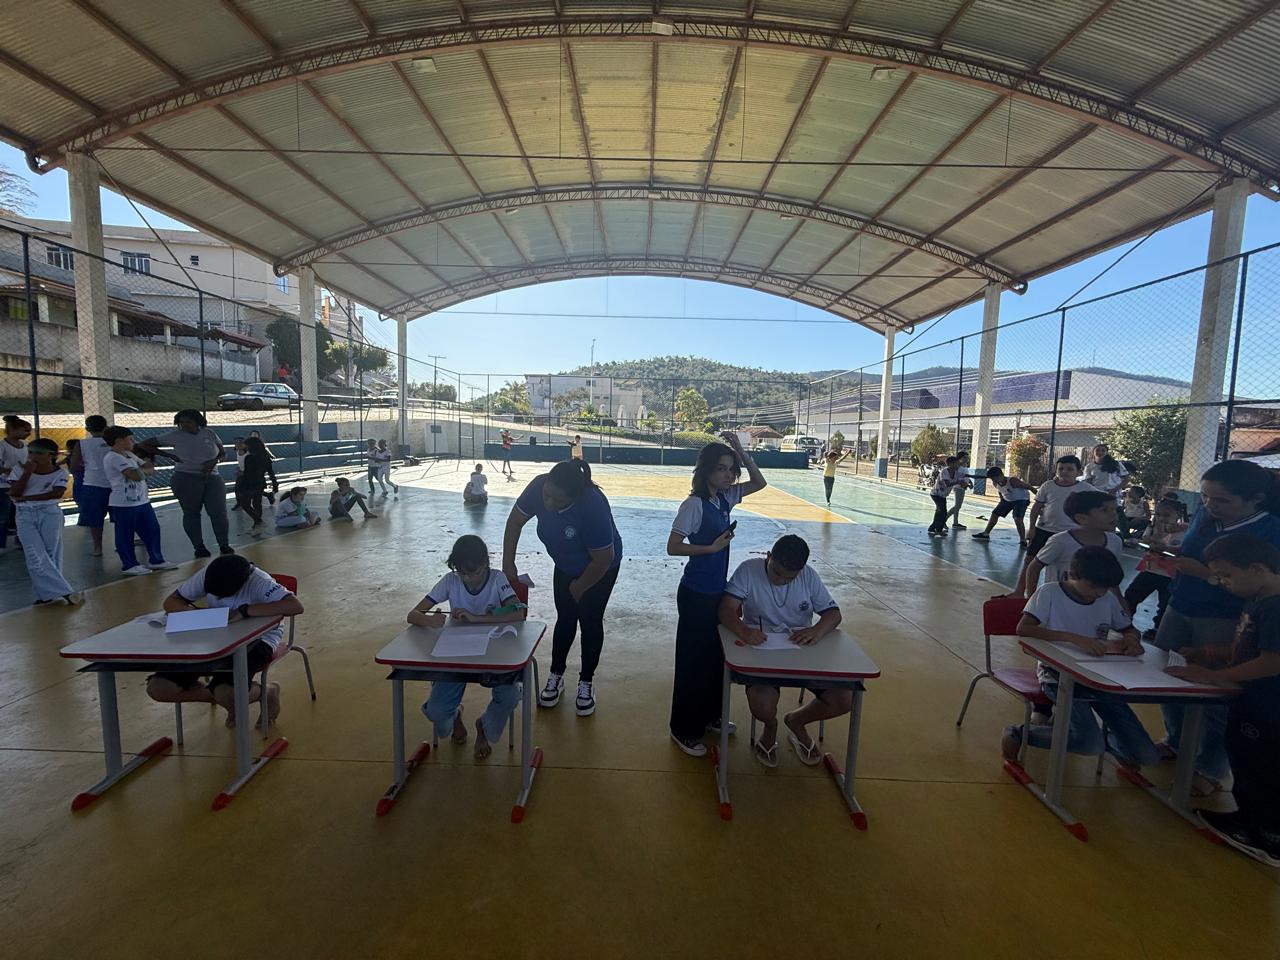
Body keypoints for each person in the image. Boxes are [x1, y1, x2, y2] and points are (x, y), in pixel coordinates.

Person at [1154, 459, 1280, 797]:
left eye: (1222, 500)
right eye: (1206, 497)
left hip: (1225, 618)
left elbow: (1261, 584)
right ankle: (1176, 741)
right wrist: (1174, 551)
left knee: (1216, 697)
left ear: (1255, 500)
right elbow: (1197, 551)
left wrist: (1205, 575)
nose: (1210, 505)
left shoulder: (1271, 532)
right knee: (1166, 675)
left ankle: (1211, 768)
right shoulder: (1205, 516)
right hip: (1181, 605)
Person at [1166, 534, 1280, 866]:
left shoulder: (1274, 606)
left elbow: (1273, 661)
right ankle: (1247, 818)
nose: (1223, 583)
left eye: (1227, 575)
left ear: (1256, 568)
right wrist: (1207, 653)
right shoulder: (1257, 599)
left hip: (1270, 707)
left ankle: (1270, 838)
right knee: (1245, 759)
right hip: (1252, 700)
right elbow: (1249, 647)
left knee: (1264, 769)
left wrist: (1213, 676)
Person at [1000, 547, 1159, 769]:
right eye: (1093, 587)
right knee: (1089, 744)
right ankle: (1020, 734)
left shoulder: (1107, 599)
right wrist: (1073, 638)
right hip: (1058, 675)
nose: (1098, 594)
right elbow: (1024, 628)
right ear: (1073, 575)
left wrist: (1132, 640)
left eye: (1105, 589)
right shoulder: (1050, 592)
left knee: (1148, 756)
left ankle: (1109, 743)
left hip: (1102, 678)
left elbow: (1128, 629)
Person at [667, 433, 767, 756]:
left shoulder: (724, 498)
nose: (728, 475)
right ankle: (683, 729)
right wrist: (709, 548)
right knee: (692, 662)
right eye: (721, 468)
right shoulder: (693, 505)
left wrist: (740, 450)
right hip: (695, 593)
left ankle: (710, 716)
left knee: (714, 658)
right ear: (706, 470)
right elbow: (673, 547)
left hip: (716, 593)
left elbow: (760, 482)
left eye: (731, 469)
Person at [503, 459, 622, 717]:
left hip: (600, 568)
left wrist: (581, 586)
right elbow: (514, 522)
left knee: (590, 620)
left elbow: (604, 558)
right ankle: (556, 674)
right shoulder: (538, 487)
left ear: (574, 498)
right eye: (547, 495)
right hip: (566, 563)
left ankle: (586, 682)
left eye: (557, 501)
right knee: (566, 618)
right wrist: (508, 563)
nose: (548, 503)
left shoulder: (592, 506)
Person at [718, 535, 844, 767]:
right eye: (776, 572)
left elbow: (833, 614)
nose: (780, 580)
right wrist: (744, 631)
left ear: (800, 570)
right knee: (762, 706)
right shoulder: (749, 570)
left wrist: (816, 631)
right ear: (768, 557)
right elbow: (725, 609)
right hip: (762, 652)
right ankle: (771, 726)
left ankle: (796, 721)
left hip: (801, 653)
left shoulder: (808, 576)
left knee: (844, 699)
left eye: (789, 577)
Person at [146, 556, 303, 729]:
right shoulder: (209, 574)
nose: (218, 598)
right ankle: (233, 699)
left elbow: (295, 606)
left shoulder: (260, 581)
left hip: (259, 639)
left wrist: (244, 611)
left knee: (226, 692)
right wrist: (201, 615)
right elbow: (171, 602)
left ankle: (267, 692)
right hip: (215, 635)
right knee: (159, 688)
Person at [409, 535, 526, 759]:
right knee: (436, 710)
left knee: (510, 695)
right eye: (462, 572)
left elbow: (518, 613)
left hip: (494, 654)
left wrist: (476, 618)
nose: (468, 579)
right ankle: (454, 716)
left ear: (485, 565)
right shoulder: (450, 581)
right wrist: (430, 621)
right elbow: (413, 614)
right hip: (456, 655)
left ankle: (485, 726)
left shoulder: (497, 578)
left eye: (474, 572)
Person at [138, 410, 232, 559]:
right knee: (191, 513)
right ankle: (199, 546)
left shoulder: (209, 433)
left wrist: (215, 461)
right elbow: (145, 444)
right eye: (181, 422)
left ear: (197, 422)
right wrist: (168, 455)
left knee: (218, 512)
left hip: (212, 477)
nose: (184, 425)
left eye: (188, 422)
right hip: (186, 476)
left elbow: (223, 453)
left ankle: (224, 544)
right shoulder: (175, 435)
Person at [9, 438, 81, 606]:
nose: (33, 456)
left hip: (49, 512)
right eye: (31, 452)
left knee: (51, 552)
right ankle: (66, 591)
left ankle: (46, 595)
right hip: (25, 514)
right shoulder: (19, 470)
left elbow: (56, 494)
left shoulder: (60, 473)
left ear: (51, 456)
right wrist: (27, 473)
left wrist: (27, 498)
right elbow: (15, 492)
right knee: (34, 553)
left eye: (39, 453)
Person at [1019, 490, 1123, 597]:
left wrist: (1120, 602)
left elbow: (1111, 579)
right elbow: (1034, 568)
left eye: (1115, 509)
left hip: (1096, 603)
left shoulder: (1115, 542)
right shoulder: (1060, 541)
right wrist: (1032, 598)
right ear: (1082, 518)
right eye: (1104, 510)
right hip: (1059, 602)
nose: (1114, 514)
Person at [101, 426, 175, 576]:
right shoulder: (113, 457)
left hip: (142, 500)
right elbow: (136, 475)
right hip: (124, 502)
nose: (133, 442)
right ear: (119, 441)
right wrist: (143, 471)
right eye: (130, 439)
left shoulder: (129, 455)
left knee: (152, 529)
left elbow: (148, 468)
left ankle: (156, 560)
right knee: (125, 533)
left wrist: (142, 471)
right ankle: (129, 564)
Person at [1123, 498, 1188, 640]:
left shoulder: (1184, 531)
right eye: (1158, 514)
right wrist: (1157, 534)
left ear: (1177, 515)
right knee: (1132, 594)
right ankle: (1125, 621)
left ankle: (1158, 628)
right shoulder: (1152, 527)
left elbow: (1181, 548)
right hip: (1150, 570)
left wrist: (1167, 548)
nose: (1161, 518)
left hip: (1169, 575)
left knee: (1165, 603)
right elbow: (1146, 539)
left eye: (1166, 515)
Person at [70, 415, 112, 557]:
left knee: (95, 519)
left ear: (87, 429)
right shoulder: (114, 442)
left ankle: (97, 547)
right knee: (122, 517)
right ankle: (124, 543)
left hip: (93, 483)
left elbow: (74, 466)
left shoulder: (82, 444)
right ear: (106, 427)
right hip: (115, 483)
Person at [972, 467, 1036, 544]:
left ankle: (1023, 540)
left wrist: (1040, 500)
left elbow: (1030, 487)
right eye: (992, 479)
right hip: (1007, 499)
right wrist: (1001, 500)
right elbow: (1000, 491)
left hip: (1021, 500)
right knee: (995, 514)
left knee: (1018, 519)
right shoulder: (995, 483)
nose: (994, 480)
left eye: (995, 478)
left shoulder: (1013, 481)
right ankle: (986, 534)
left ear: (1001, 475)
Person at [0, 414, 31, 550]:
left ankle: (20, 540)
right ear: (13, 430)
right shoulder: (2, 446)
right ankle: (1, 544)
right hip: (4, 485)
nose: (28, 433)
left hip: (21, 484)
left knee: (22, 514)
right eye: (25, 430)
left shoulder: (25, 446)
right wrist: (13, 472)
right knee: (3, 517)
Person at [235, 436, 277, 528]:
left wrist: (240, 476)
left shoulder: (249, 458)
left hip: (250, 484)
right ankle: (258, 520)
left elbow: (247, 473)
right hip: (260, 482)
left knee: (245, 504)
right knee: (257, 503)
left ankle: (257, 520)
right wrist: (275, 484)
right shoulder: (266, 457)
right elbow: (271, 472)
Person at [927, 455, 963, 535]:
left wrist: (966, 483)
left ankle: (932, 527)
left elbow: (962, 478)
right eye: (956, 463)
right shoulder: (945, 471)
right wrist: (958, 482)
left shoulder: (956, 473)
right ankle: (938, 530)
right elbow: (947, 484)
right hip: (936, 494)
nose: (958, 465)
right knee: (942, 511)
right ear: (950, 464)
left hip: (943, 495)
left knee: (940, 511)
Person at [945, 451, 974, 531]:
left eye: (967, 457)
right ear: (959, 458)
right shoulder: (958, 467)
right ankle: (943, 520)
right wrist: (966, 485)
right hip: (958, 487)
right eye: (964, 457)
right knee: (958, 506)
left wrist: (970, 482)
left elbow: (966, 476)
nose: (966, 459)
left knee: (957, 506)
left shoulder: (965, 466)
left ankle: (955, 522)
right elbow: (958, 478)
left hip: (962, 487)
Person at [247, 431, 276, 505]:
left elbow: (266, 450)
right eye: (253, 434)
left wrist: (271, 455)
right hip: (250, 467)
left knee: (255, 487)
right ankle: (268, 495)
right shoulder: (247, 444)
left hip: (258, 468)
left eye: (256, 435)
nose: (254, 436)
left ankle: (268, 494)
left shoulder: (260, 446)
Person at [230, 437, 247, 512]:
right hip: (241, 474)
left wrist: (243, 472)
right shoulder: (237, 452)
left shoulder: (248, 454)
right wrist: (239, 469)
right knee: (237, 489)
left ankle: (268, 495)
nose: (238, 444)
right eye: (236, 443)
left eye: (240, 443)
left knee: (250, 490)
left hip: (248, 474)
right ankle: (239, 503)